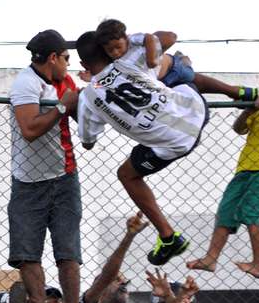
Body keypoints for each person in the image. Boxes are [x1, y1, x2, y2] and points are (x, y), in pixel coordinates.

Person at [75, 31, 209, 265]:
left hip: (178, 142)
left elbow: (88, 143)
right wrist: (134, 40)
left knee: (127, 175)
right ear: (109, 52)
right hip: (196, 106)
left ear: (83, 65)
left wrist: (72, 108)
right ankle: (232, 89)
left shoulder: (87, 98)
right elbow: (167, 36)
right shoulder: (130, 60)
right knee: (170, 69)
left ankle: (168, 237)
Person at [186, 63, 259, 277]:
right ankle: (211, 259)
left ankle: (258, 264)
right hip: (245, 168)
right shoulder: (258, 107)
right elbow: (239, 128)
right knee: (225, 211)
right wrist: (252, 107)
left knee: (249, 212)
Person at [8, 29, 83, 303]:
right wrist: (63, 108)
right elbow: (29, 129)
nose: (69, 64)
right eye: (67, 58)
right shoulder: (27, 83)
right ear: (53, 57)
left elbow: (85, 118)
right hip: (28, 182)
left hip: (64, 176)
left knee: (68, 253)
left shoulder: (67, 84)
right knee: (27, 254)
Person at [94, 19, 259, 101]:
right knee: (196, 90)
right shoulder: (117, 65)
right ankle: (186, 60)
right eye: (110, 50)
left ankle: (245, 93)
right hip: (166, 83)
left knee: (213, 85)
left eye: (118, 47)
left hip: (174, 68)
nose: (115, 52)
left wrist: (152, 59)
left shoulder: (134, 41)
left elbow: (151, 38)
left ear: (125, 38)